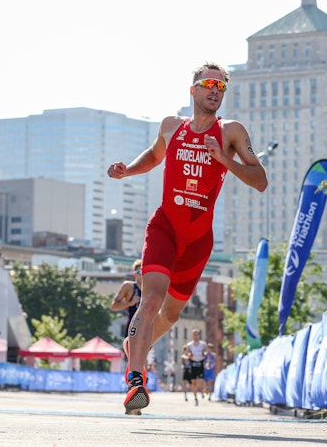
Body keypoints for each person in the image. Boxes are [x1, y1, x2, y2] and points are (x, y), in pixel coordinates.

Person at [108, 62, 267, 414]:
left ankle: (134, 347)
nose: (215, 90)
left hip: (197, 240)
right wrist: (127, 170)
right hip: (165, 227)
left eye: (221, 86)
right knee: (151, 300)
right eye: (209, 83)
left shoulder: (231, 131)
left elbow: (260, 180)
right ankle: (136, 380)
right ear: (193, 90)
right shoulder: (171, 126)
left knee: (170, 315)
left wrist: (222, 158)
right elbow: (154, 156)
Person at [110, 259, 142, 338]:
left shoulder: (150, 290)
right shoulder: (129, 287)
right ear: (135, 274)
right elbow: (113, 306)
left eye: (144, 272)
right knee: (131, 346)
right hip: (133, 325)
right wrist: (130, 303)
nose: (142, 275)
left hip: (147, 327)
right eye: (139, 272)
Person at [187, 329, 207, 406]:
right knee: (194, 383)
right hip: (193, 364)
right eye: (194, 335)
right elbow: (186, 354)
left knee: (201, 381)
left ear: (199, 335)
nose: (195, 336)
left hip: (200, 363)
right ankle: (195, 398)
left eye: (197, 335)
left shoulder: (203, 344)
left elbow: (206, 352)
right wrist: (189, 355)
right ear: (192, 336)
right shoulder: (189, 345)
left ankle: (202, 391)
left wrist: (204, 354)